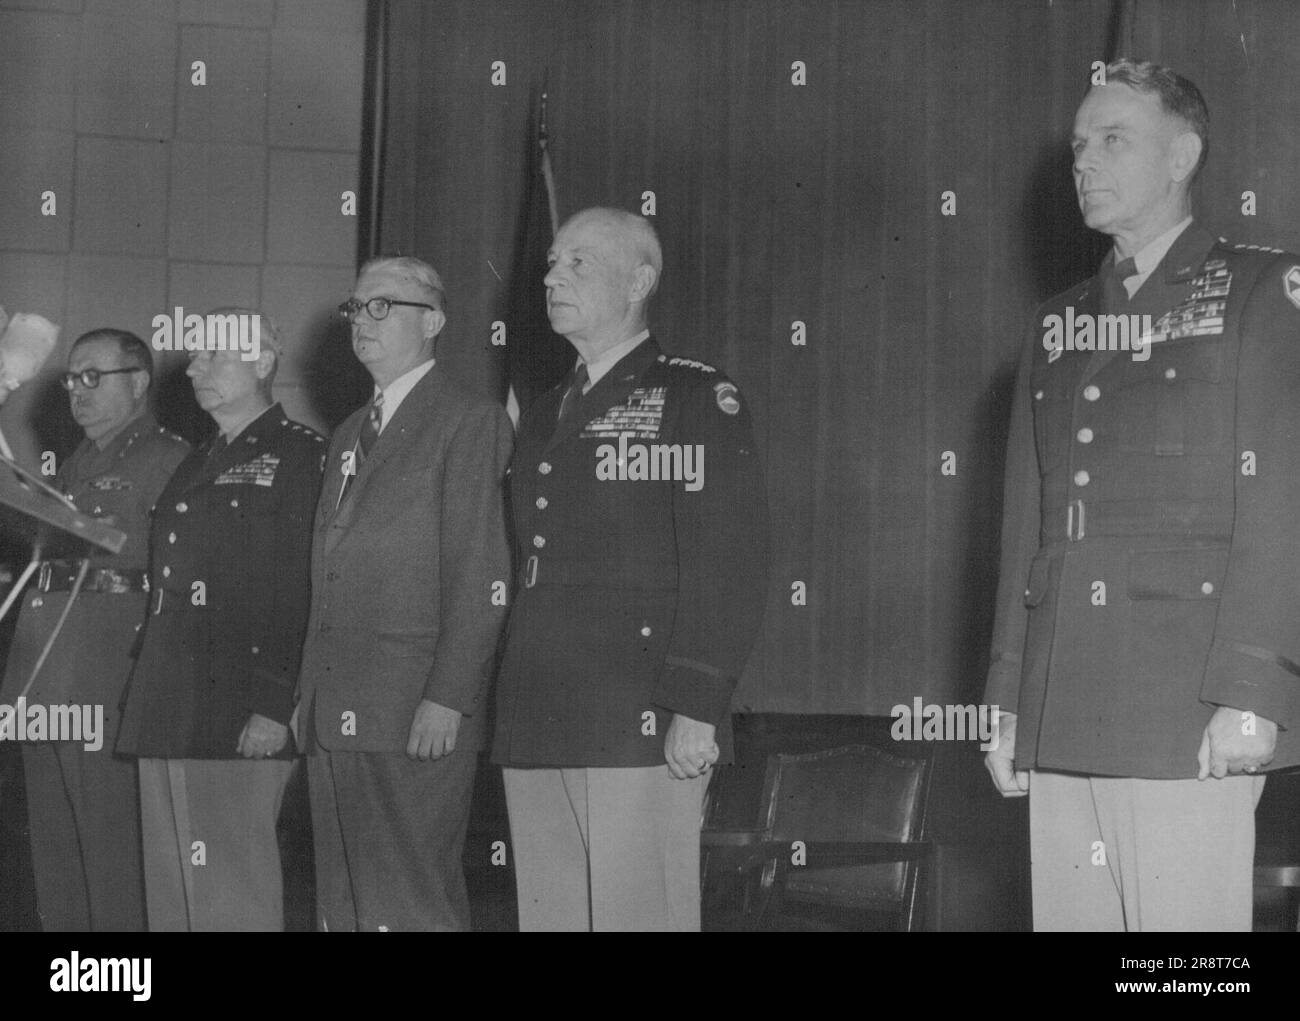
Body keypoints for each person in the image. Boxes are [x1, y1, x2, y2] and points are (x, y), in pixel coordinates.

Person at [984, 58, 1300, 931]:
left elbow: (1283, 499)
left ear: (1182, 155)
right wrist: (1007, 698)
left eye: (1113, 139)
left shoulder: (1258, 291)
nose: (1084, 160)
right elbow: (1028, 524)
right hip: (1062, 696)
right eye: (1080, 144)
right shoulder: (1059, 322)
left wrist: (1255, 689)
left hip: (1184, 700)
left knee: (1181, 970)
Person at [492, 207, 770, 931]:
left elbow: (730, 559)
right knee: (549, 917)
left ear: (640, 280)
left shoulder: (694, 396)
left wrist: (698, 704)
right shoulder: (549, 407)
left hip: (639, 712)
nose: (553, 275)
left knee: (636, 916)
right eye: (552, 262)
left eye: (579, 262)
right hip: (538, 711)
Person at [295, 256, 512, 932]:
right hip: (336, 707)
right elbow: (326, 575)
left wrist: (448, 694)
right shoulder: (347, 431)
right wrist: (307, 691)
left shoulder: (467, 422)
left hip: (413, 703)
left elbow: (482, 572)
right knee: (344, 902)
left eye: (382, 305)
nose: (363, 320)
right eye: (356, 307)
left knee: (410, 898)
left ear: (436, 320)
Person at [116, 311, 324, 931]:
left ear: (264, 363)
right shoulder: (197, 458)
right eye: (195, 357)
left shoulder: (301, 454)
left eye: (215, 355)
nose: (197, 368)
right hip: (168, 700)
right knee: (173, 888)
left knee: (232, 887)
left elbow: (300, 587)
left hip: (238, 702)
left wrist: (273, 701)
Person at [0, 328, 188, 931]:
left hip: (105, 673)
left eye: (93, 376)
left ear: (137, 381)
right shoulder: (75, 461)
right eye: (70, 378)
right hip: (45, 668)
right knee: (54, 845)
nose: (76, 390)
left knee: (110, 845)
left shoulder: (168, 458)